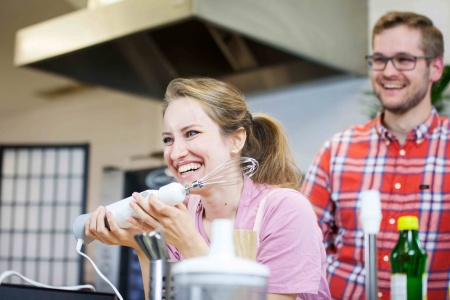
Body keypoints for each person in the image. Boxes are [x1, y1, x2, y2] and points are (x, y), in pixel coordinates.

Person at [86, 77, 331, 300]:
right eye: (168, 139)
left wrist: (188, 242)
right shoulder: (181, 212)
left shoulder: (285, 209)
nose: (176, 152)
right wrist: (145, 246)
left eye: (191, 133)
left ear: (236, 140)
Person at [301, 11, 449, 299]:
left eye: (404, 59)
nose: (388, 71)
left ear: (435, 68)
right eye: (379, 59)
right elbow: (300, 246)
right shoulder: (337, 151)